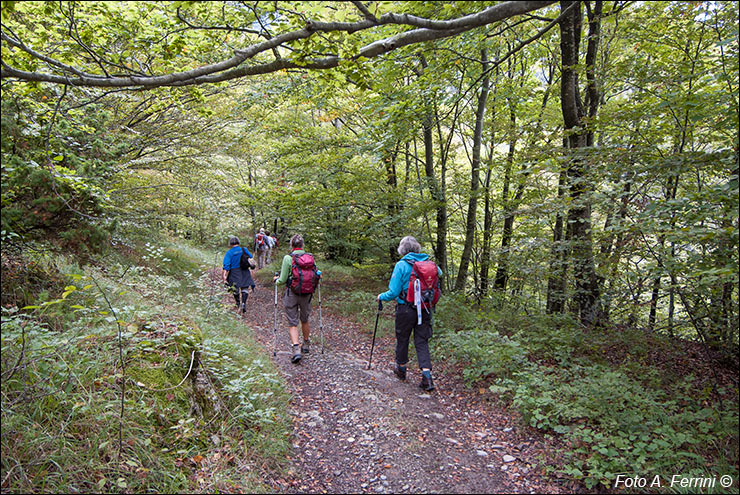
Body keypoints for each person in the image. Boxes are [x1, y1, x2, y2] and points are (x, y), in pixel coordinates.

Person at [377, 236, 442, 391]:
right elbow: (439, 273)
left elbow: (393, 292)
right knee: (422, 341)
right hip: (425, 309)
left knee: (403, 338)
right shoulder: (430, 264)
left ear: (402, 250)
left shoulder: (401, 265)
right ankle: (427, 377)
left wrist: (381, 297)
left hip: (405, 309)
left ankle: (401, 369)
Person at [274, 234, 320, 364]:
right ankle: (306, 344)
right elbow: (316, 274)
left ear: (291, 245)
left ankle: (296, 349)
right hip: (307, 294)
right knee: (304, 319)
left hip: (292, 293)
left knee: (293, 322)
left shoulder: (288, 258)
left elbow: (282, 280)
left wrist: (276, 281)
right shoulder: (310, 257)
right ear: (302, 245)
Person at [222, 236, 255, 313]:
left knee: (234, 288)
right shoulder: (244, 249)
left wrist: (224, 275)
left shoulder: (229, 253)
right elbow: (250, 257)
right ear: (238, 242)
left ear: (230, 244)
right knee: (245, 288)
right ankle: (243, 303)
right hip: (245, 270)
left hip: (234, 272)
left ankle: (238, 303)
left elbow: (226, 264)